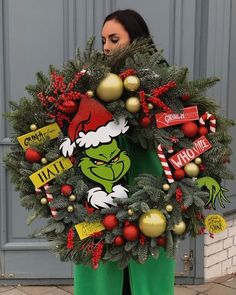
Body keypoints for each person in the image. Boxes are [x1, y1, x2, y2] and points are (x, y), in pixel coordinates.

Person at [74, 9, 175, 295]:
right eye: (103, 39)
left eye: (114, 38)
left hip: (151, 200)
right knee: (102, 272)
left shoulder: (161, 85)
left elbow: (177, 137)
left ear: (135, 39)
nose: (105, 47)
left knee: (145, 274)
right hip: (101, 197)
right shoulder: (92, 87)